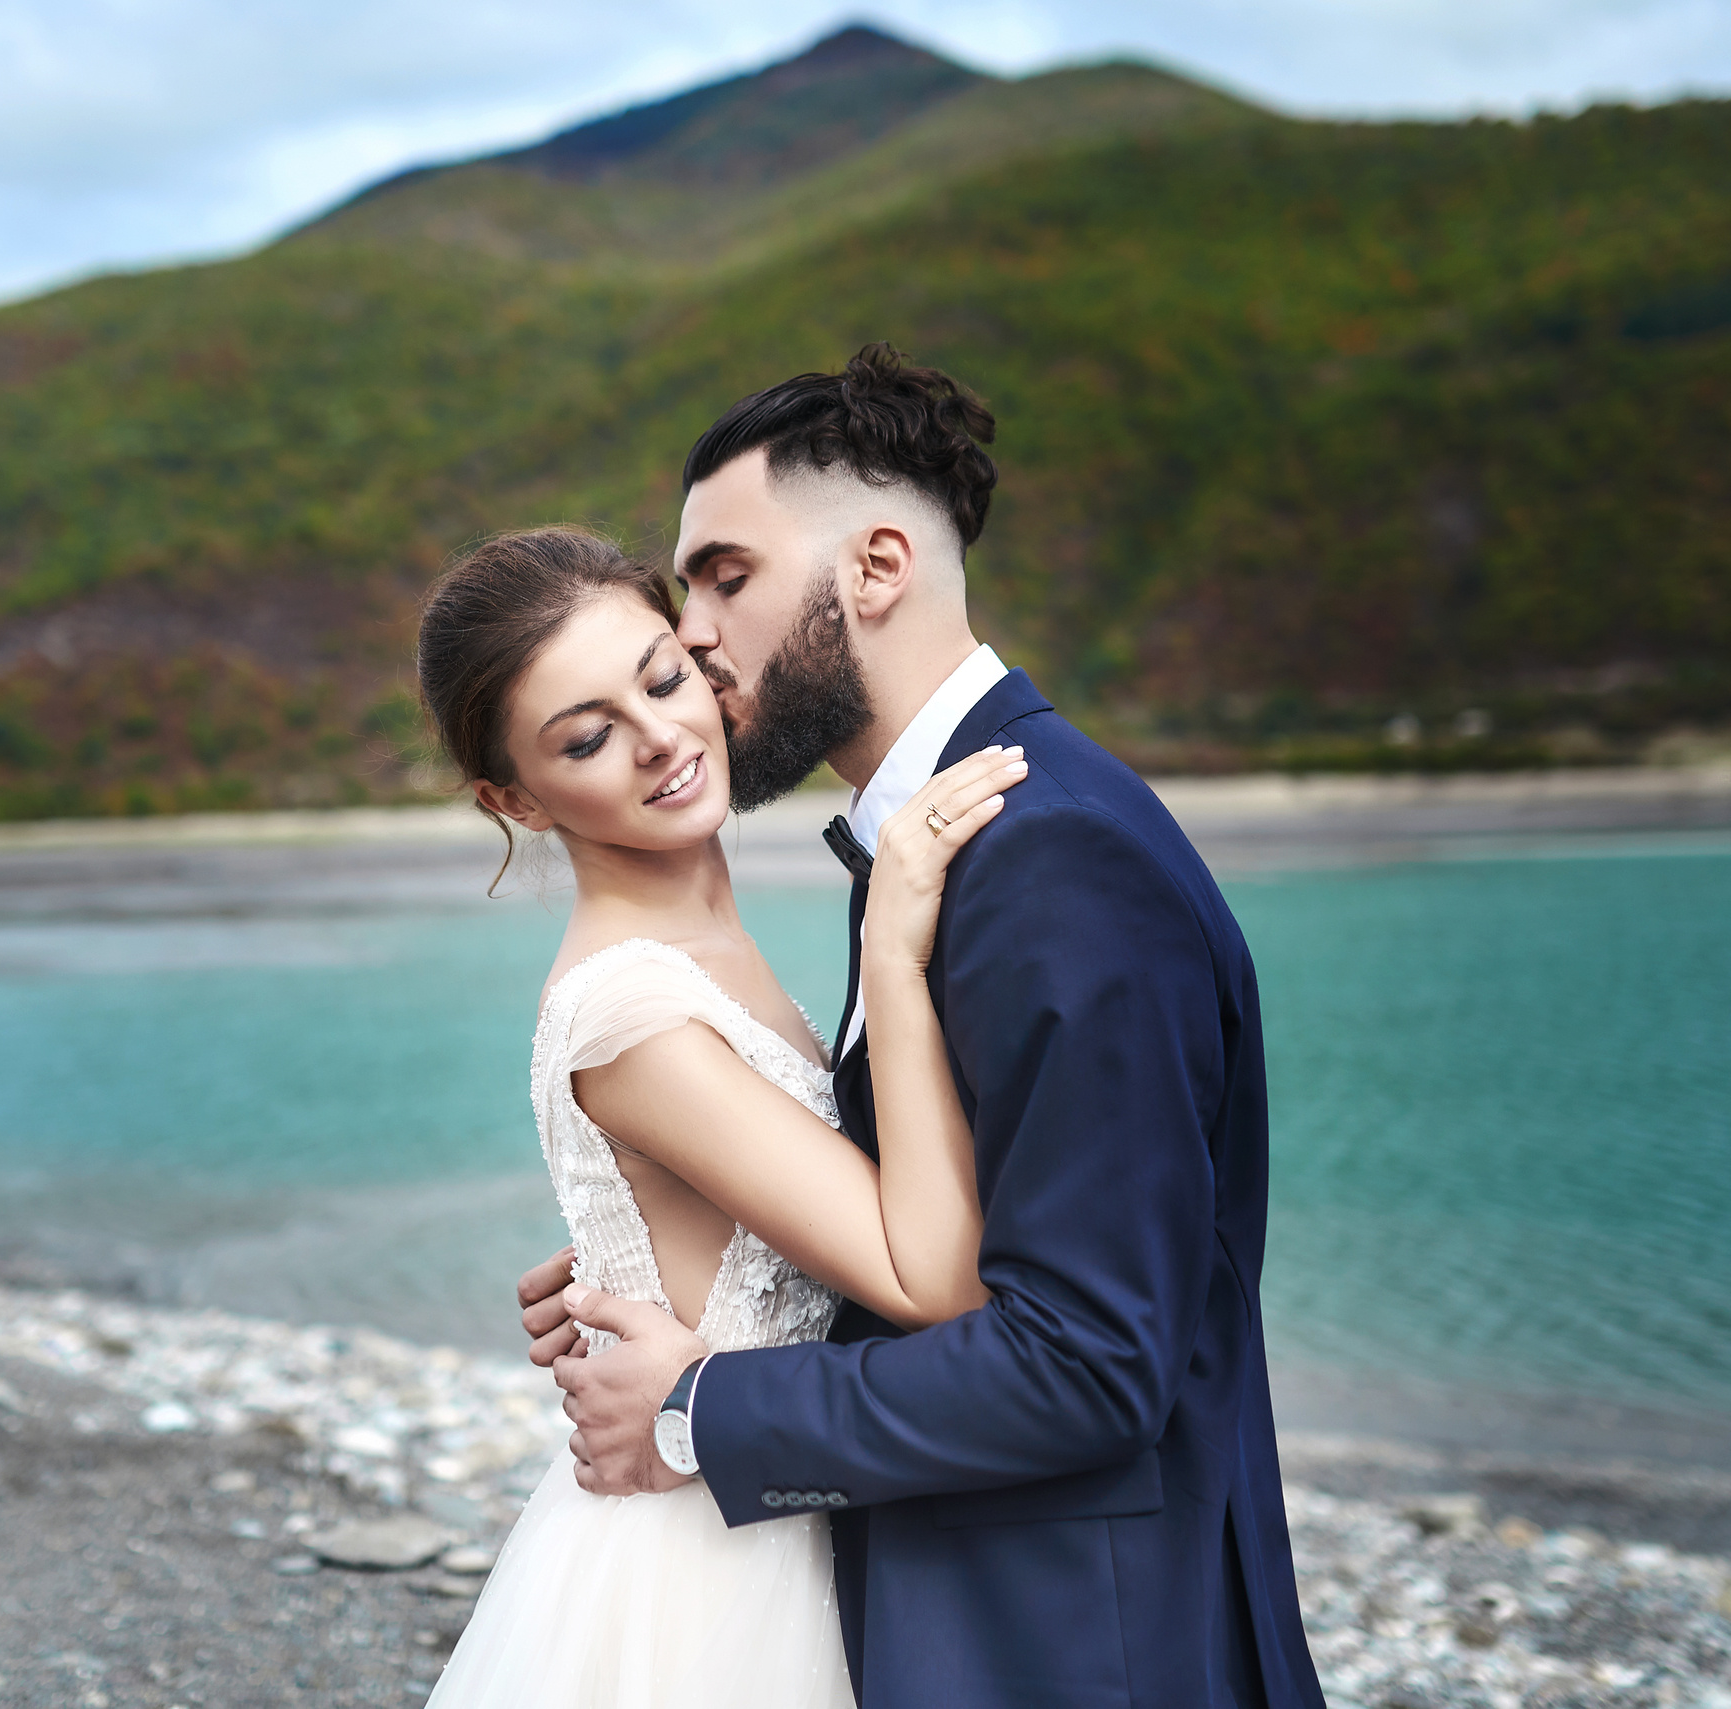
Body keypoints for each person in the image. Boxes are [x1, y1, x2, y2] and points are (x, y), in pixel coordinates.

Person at [515, 344, 1325, 1707]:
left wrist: (702, 1407)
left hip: (1079, 1646)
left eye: (725, 577)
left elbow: (1089, 1365)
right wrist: (671, 1248)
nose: (695, 637)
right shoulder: (936, 844)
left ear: (875, 568)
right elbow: (969, 1224)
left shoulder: (1048, 855)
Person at [414, 523, 1028, 1706]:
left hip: (770, 1491)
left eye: (661, 676)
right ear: (516, 799)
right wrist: (895, 955)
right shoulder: (634, 1008)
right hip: (710, 1562)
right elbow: (934, 1282)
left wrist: (611, 1261)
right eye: (587, 738)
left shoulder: (696, 947)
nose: (660, 739)